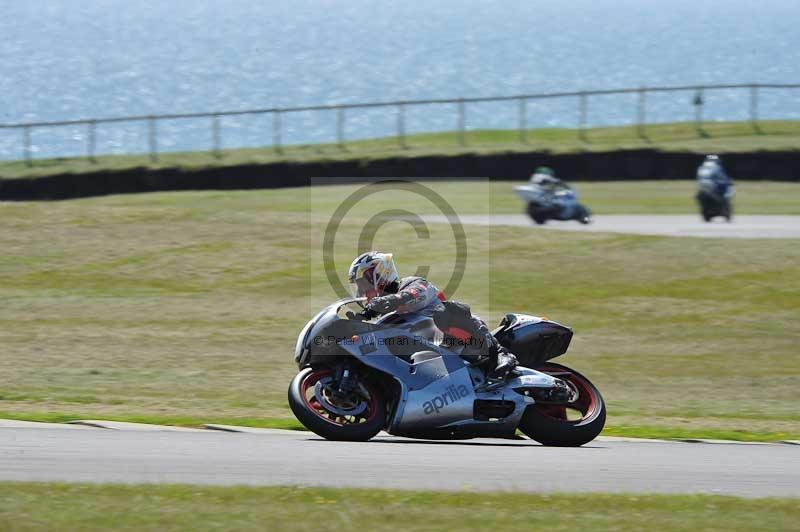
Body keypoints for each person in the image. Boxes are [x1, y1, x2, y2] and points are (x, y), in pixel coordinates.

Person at [348, 251, 517, 378]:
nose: (362, 290)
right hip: (436, 360)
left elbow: (412, 294)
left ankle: (500, 354)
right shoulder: (388, 314)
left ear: (379, 274)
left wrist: (384, 302)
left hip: (458, 334)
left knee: (444, 311)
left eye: (363, 283)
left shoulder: (413, 284)